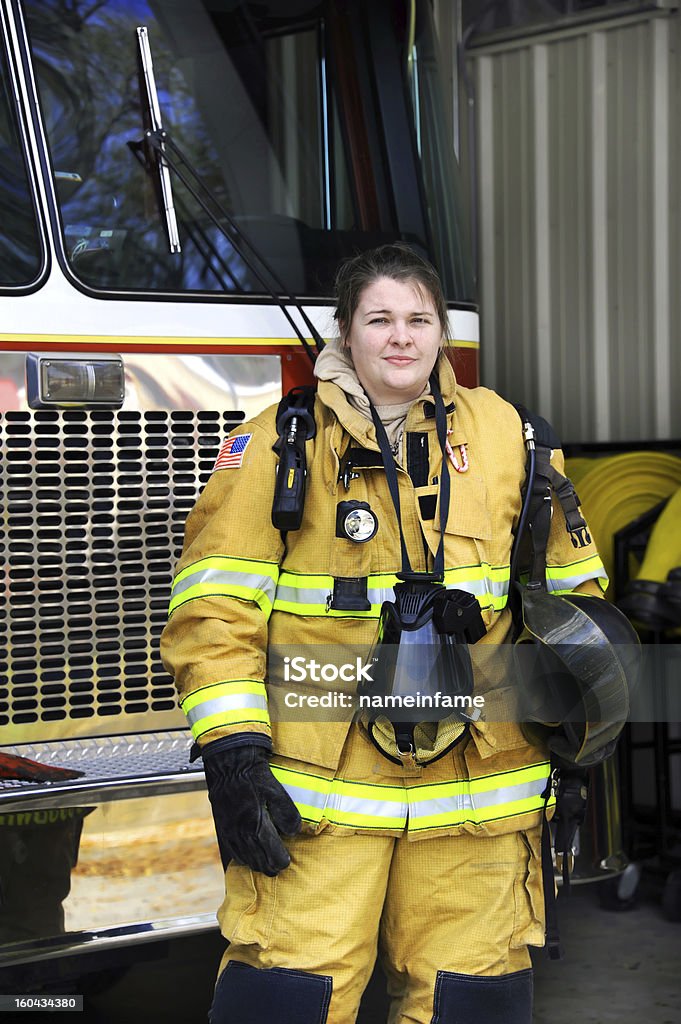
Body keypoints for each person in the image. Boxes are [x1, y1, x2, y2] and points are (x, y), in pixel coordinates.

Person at [160, 243, 607, 1024]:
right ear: (344, 332)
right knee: (289, 995)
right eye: (379, 319)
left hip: (480, 796)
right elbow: (214, 608)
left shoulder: (511, 437)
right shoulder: (275, 445)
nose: (400, 337)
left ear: (439, 333)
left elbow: (572, 596)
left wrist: (581, 720)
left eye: (417, 319)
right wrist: (231, 750)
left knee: (468, 1001)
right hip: (317, 800)